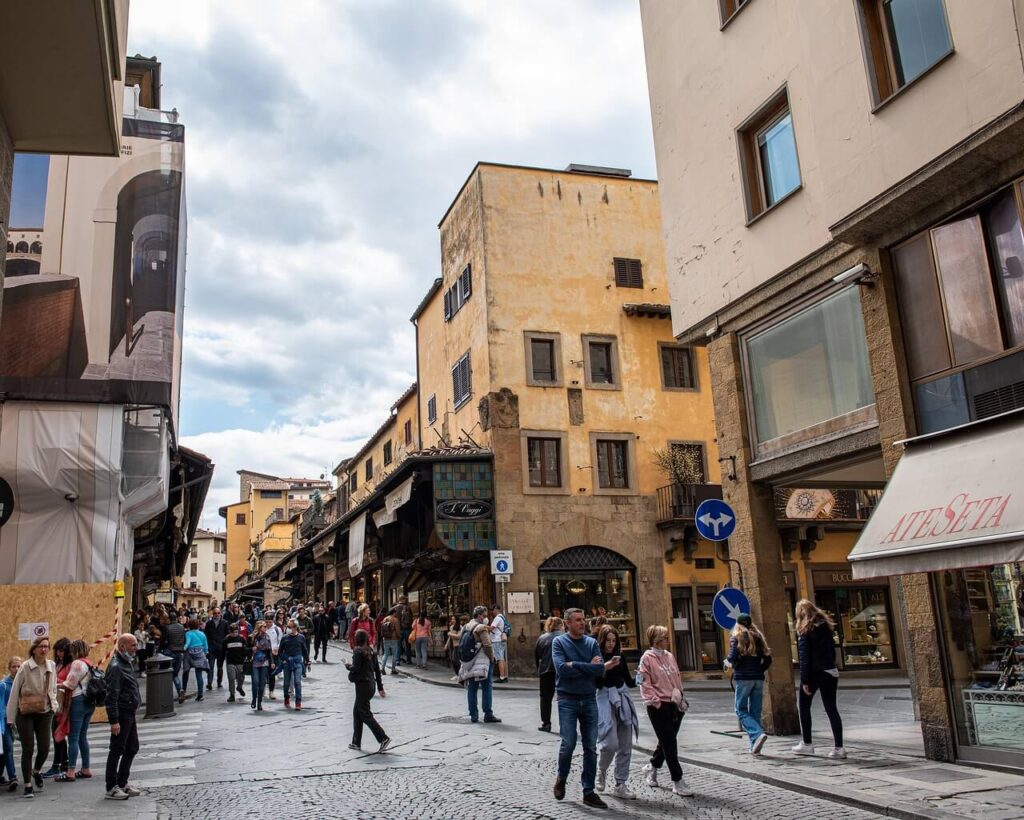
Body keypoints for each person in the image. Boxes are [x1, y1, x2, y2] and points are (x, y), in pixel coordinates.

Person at [550, 607, 617, 808]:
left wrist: (576, 665)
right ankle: (562, 777)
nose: (582, 623)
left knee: (590, 747)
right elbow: (561, 669)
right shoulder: (559, 642)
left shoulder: (591, 643)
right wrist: (588, 665)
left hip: (589, 698)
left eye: (583, 619)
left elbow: (599, 670)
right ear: (567, 623)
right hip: (567, 699)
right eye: (578, 620)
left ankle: (588, 791)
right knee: (568, 743)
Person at [638, 624, 694, 798]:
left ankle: (652, 767)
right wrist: (656, 703)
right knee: (670, 744)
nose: (668, 640)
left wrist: (681, 697)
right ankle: (677, 780)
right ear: (656, 640)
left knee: (666, 742)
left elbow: (676, 677)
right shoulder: (646, 659)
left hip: (675, 704)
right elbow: (644, 684)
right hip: (658, 707)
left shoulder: (669, 656)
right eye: (665, 638)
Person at [5, 636, 57, 798]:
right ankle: (28, 784)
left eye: (46, 646)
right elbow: (14, 693)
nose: (44, 649)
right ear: (34, 649)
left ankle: (36, 770)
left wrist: (54, 705)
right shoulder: (25, 667)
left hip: (45, 711)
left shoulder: (51, 665)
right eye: (41, 646)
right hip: (25, 713)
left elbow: (53, 688)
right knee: (28, 749)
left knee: (45, 748)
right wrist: (10, 718)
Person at [793, 599, 845, 759]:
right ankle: (839, 748)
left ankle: (807, 744)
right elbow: (832, 651)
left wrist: (805, 680)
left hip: (814, 673)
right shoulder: (826, 628)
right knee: (832, 709)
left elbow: (804, 658)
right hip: (830, 671)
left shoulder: (804, 630)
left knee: (804, 706)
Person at [595, 625, 638, 799]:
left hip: (622, 695)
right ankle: (601, 770)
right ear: (602, 640)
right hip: (605, 696)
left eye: (614, 641)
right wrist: (604, 668)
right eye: (608, 640)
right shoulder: (597, 657)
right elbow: (596, 683)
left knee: (626, 742)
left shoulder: (621, 657)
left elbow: (629, 681)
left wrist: (641, 677)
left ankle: (621, 784)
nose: (611, 644)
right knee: (610, 742)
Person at [726, 613, 772, 756]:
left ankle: (757, 733)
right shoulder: (758, 637)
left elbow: (732, 657)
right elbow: (768, 660)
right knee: (755, 712)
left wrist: (727, 662)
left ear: (738, 624)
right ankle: (755, 747)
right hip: (758, 678)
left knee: (740, 710)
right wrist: (759, 670)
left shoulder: (737, 637)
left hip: (743, 678)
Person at [104, 634, 142, 800]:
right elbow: (111, 696)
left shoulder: (126, 662)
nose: (136, 648)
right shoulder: (116, 667)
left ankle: (122, 782)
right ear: (122, 647)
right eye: (133, 645)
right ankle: (111, 787)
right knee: (117, 749)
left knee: (132, 747)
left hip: (129, 711)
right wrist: (114, 721)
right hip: (122, 712)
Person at [346, 629, 390, 753]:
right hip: (371, 685)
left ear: (357, 639)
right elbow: (377, 671)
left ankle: (383, 738)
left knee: (365, 714)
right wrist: (380, 688)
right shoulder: (372, 651)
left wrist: (347, 666)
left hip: (362, 686)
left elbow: (356, 668)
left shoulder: (358, 652)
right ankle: (356, 742)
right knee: (357, 712)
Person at [60, 641, 96, 782]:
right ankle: (86, 768)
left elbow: (70, 684)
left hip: (78, 700)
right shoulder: (89, 663)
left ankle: (70, 771)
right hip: (89, 701)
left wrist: (55, 684)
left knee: (73, 737)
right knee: (82, 736)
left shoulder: (77, 664)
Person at [459, 606, 500, 724]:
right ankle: (488, 714)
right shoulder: (481, 627)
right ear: (479, 616)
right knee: (487, 687)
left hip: (470, 661)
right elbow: (487, 645)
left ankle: (473, 715)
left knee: (472, 687)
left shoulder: (466, 626)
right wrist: (491, 658)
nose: (486, 618)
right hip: (482, 662)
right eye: (485, 616)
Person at [43, 637, 72, 779]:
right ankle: (64, 763)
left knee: (57, 733)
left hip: (64, 704)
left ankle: (57, 765)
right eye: (57, 651)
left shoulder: (69, 665)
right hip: (57, 702)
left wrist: (55, 682)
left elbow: (69, 682)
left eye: (61, 651)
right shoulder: (59, 664)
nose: (59, 654)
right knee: (58, 733)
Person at [535, 616, 564, 732]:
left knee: (545, 698)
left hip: (546, 671)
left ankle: (546, 723)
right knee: (565, 697)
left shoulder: (542, 638)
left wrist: (540, 669)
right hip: (562, 670)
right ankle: (565, 723)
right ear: (561, 625)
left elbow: (537, 656)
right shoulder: (565, 637)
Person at [0, 656, 22, 791]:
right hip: (5, 721)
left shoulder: (23, 682)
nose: (17, 669)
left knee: (4, 750)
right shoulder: (4, 685)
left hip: (19, 720)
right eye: (14, 666)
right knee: (8, 748)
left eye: (19, 666)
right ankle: (13, 777)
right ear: (9, 668)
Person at [278, 619, 307, 710]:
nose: (289, 628)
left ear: (296, 627)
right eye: (288, 627)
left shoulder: (301, 637)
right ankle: (286, 697)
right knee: (286, 683)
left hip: (297, 662)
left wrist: (308, 661)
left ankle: (298, 702)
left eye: (291, 627)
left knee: (297, 682)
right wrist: (283, 660)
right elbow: (280, 651)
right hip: (287, 662)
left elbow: (304, 650)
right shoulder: (284, 638)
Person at [182, 618, 210, 702]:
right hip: (200, 653)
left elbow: (188, 642)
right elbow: (205, 645)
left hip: (189, 654)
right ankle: (200, 694)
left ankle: (183, 690)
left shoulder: (188, 633)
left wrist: (183, 649)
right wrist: (205, 652)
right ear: (198, 625)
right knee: (199, 674)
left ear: (189, 626)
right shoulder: (202, 634)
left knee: (186, 672)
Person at [203, 607, 230, 690]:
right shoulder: (209, 623)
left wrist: (226, 647)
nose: (217, 615)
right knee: (210, 667)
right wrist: (207, 646)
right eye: (215, 613)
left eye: (218, 613)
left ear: (220, 614)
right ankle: (209, 683)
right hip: (211, 649)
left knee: (220, 667)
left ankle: (219, 682)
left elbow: (227, 635)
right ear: (212, 614)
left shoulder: (225, 623)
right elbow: (206, 635)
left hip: (221, 649)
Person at [248, 621, 272, 711]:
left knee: (262, 684)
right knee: (255, 682)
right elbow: (245, 649)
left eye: (266, 626)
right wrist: (251, 649)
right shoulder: (252, 637)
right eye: (264, 626)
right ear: (259, 627)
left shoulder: (267, 637)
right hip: (254, 662)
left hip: (264, 662)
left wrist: (272, 662)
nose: (266, 628)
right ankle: (254, 699)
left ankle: (259, 703)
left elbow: (269, 650)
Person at [223, 623, 248, 703]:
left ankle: (239, 687)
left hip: (240, 661)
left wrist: (246, 656)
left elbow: (245, 649)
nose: (234, 634)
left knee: (241, 677)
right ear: (230, 632)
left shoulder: (242, 639)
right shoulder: (226, 640)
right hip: (230, 662)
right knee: (231, 678)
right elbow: (223, 651)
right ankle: (232, 694)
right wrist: (221, 662)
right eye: (233, 632)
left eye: (236, 632)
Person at [164, 613, 187, 699]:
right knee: (175, 674)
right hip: (179, 652)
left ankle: (167, 692)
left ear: (169, 619)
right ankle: (180, 690)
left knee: (168, 673)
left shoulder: (168, 628)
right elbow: (184, 639)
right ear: (176, 618)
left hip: (170, 652)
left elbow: (165, 641)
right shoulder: (181, 627)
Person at [264, 613, 283, 701]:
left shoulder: (277, 629)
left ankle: (271, 691)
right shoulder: (262, 628)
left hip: (273, 654)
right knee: (263, 673)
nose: (268, 624)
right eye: (267, 622)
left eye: (270, 622)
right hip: (264, 653)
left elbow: (280, 640)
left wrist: (277, 648)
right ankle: (263, 689)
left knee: (272, 673)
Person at [490, 603, 510, 683]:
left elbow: (491, 628)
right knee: (502, 658)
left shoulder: (497, 618)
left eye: (493, 610)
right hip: (501, 640)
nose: (492, 612)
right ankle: (504, 676)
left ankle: (502, 677)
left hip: (497, 640)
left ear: (496, 609)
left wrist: (482, 627)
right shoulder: (502, 617)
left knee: (499, 659)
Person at [379, 610, 401, 675]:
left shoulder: (385, 619)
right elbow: (397, 630)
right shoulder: (395, 620)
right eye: (395, 613)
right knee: (394, 654)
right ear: (394, 613)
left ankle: (382, 668)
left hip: (386, 638)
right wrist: (399, 636)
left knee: (385, 654)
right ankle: (393, 669)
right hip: (394, 638)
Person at [294, 605, 314, 673]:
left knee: (306, 654)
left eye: (303, 612)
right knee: (299, 654)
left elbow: (312, 628)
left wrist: (307, 630)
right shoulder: (296, 620)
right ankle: (300, 668)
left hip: (306, 638)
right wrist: (298, 631)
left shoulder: (308, 619)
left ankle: (304, 670)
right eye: (300, 612)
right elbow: (293, 627)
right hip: (298, 639)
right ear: (298, 612)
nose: (302, 613)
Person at [395, 596, 414, 666]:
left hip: (399, 629)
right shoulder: (408, 608)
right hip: (407, 629)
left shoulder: (395, 608)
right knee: (408, 645)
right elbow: (411, 618)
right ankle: (408, 660)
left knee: (398, 645)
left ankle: (397, 660)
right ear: (403, 600)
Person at [444, 616, 462, 681]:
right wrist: (446, 645)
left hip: (459, 645)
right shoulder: (452, 627)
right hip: (454, 646)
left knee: (456, 661)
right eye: (452, 619)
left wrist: (450, 634)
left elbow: (459, 636)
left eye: (454, 619)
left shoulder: (460, 627)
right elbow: (450, 638)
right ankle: (457, 674)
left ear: (457, 620)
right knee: (453, 661)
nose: (452, 620)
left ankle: (460, 675)